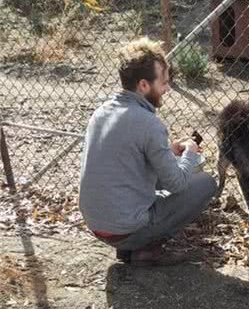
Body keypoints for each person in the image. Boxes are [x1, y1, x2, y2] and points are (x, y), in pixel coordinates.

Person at [79, 37, 217, 265]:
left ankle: (127, 247)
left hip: (96, 225)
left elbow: (127, 158)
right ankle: (146, 249)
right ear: (143, 85)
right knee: (205, 182)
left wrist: (169, 149)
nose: (167, 88)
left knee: (159, 182)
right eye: (163, 82)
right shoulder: (148, 122)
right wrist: (190, 152)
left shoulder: (101, 112)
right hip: (126, 229)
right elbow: (176, 183)